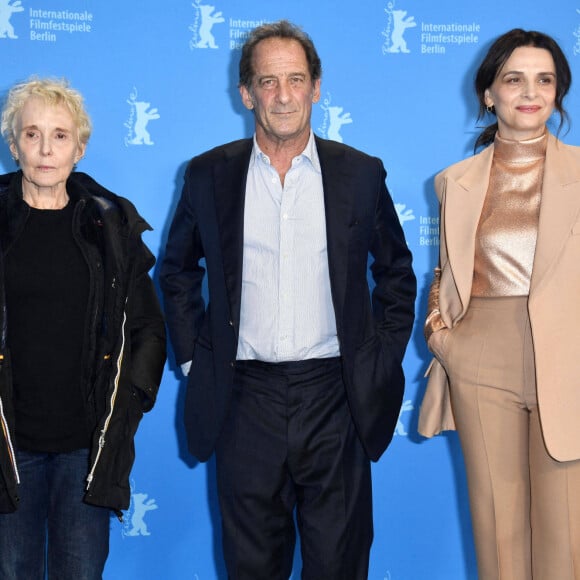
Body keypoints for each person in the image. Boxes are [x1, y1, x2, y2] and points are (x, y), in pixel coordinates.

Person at [161, 19, 416, 580]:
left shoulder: (361, 174)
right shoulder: (208, 175)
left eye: (295, 80)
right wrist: (194, 358)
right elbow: (177, 269)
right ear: (247, 92)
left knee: (339, 564)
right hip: (243, 398)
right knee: (251, 565)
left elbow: (396, 273)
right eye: (268, 82)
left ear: (316, 87)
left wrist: (379, 357)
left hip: (335, 396)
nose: (283, 96)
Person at [419, 29, 580, 580]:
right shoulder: (455, 182)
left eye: (544, 80)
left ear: (558, 94)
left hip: (569, 362)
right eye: (514, 79)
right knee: (498, 536)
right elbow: (446, 272)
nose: (529, 92)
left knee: (566, 542)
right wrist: (442, 336)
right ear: (489, 93)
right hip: (482, 357)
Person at [0, 77, 166, 579]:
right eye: (32, 135)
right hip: (7, 449)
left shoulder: (110, 228)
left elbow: (147, 329)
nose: (46, 149)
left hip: (85, 450)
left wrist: (127, 405)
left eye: (60, 135)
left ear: (81, 147)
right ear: (14, 146)